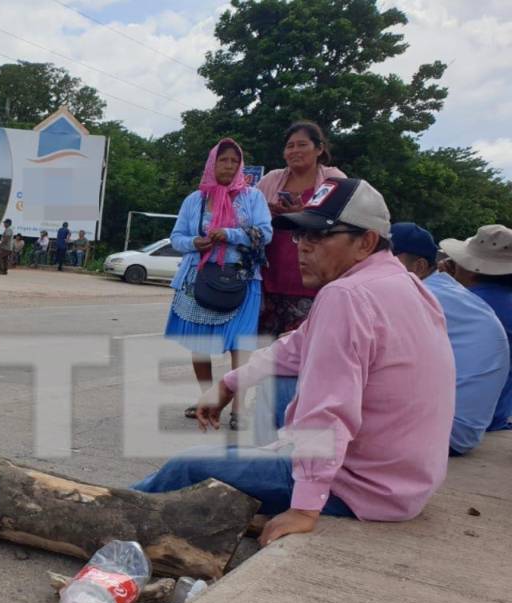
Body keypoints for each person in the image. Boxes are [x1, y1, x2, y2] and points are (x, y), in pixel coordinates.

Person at [133, 178, 455, 546]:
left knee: (188, 466)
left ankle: (108, 515)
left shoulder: (346, 295)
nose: (303, 248)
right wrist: (229, 384)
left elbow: (330, 410)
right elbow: (297, 346)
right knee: (277, 385)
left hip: (361, 487)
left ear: (365, 242)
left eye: (319, 236)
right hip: (405, 481)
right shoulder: (403, 284)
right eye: (301, 236)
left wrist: (305, 507)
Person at [165, 138, 272, 431]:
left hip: (242, 279)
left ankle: (239, 408)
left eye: (234, 161)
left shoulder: (252, 197)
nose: (228, 165)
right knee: (199, 345)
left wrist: (230, 234)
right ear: (212, 164)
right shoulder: (195, 200)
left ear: (240, 166)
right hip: (199, 279)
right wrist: (194, 242)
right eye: (223, 160)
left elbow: (265, 233)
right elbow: (176, 238)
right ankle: (207, 399)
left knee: (241, 345)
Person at [390, 223, 509, 454]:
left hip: (445, 431)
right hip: (465, 426)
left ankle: (304, 458)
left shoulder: (421, 295)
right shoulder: (450, 294)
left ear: (420, 266)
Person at [257, 121, 346, 338]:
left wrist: (305, 214)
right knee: (265, 355)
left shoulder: (334, 180)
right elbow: (246, 216)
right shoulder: (271, 180)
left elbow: (345, 224)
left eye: (302, 145)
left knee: (304, 352)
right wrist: (265, 215)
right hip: (270, 280)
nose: (295, 150)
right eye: (290, 146)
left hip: (313, 282)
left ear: (319, 149)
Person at [441, 224, 512, 432]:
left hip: (455, 418)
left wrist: (447, 285)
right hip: (496, 415)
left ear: (471, 270)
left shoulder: (460, 305)